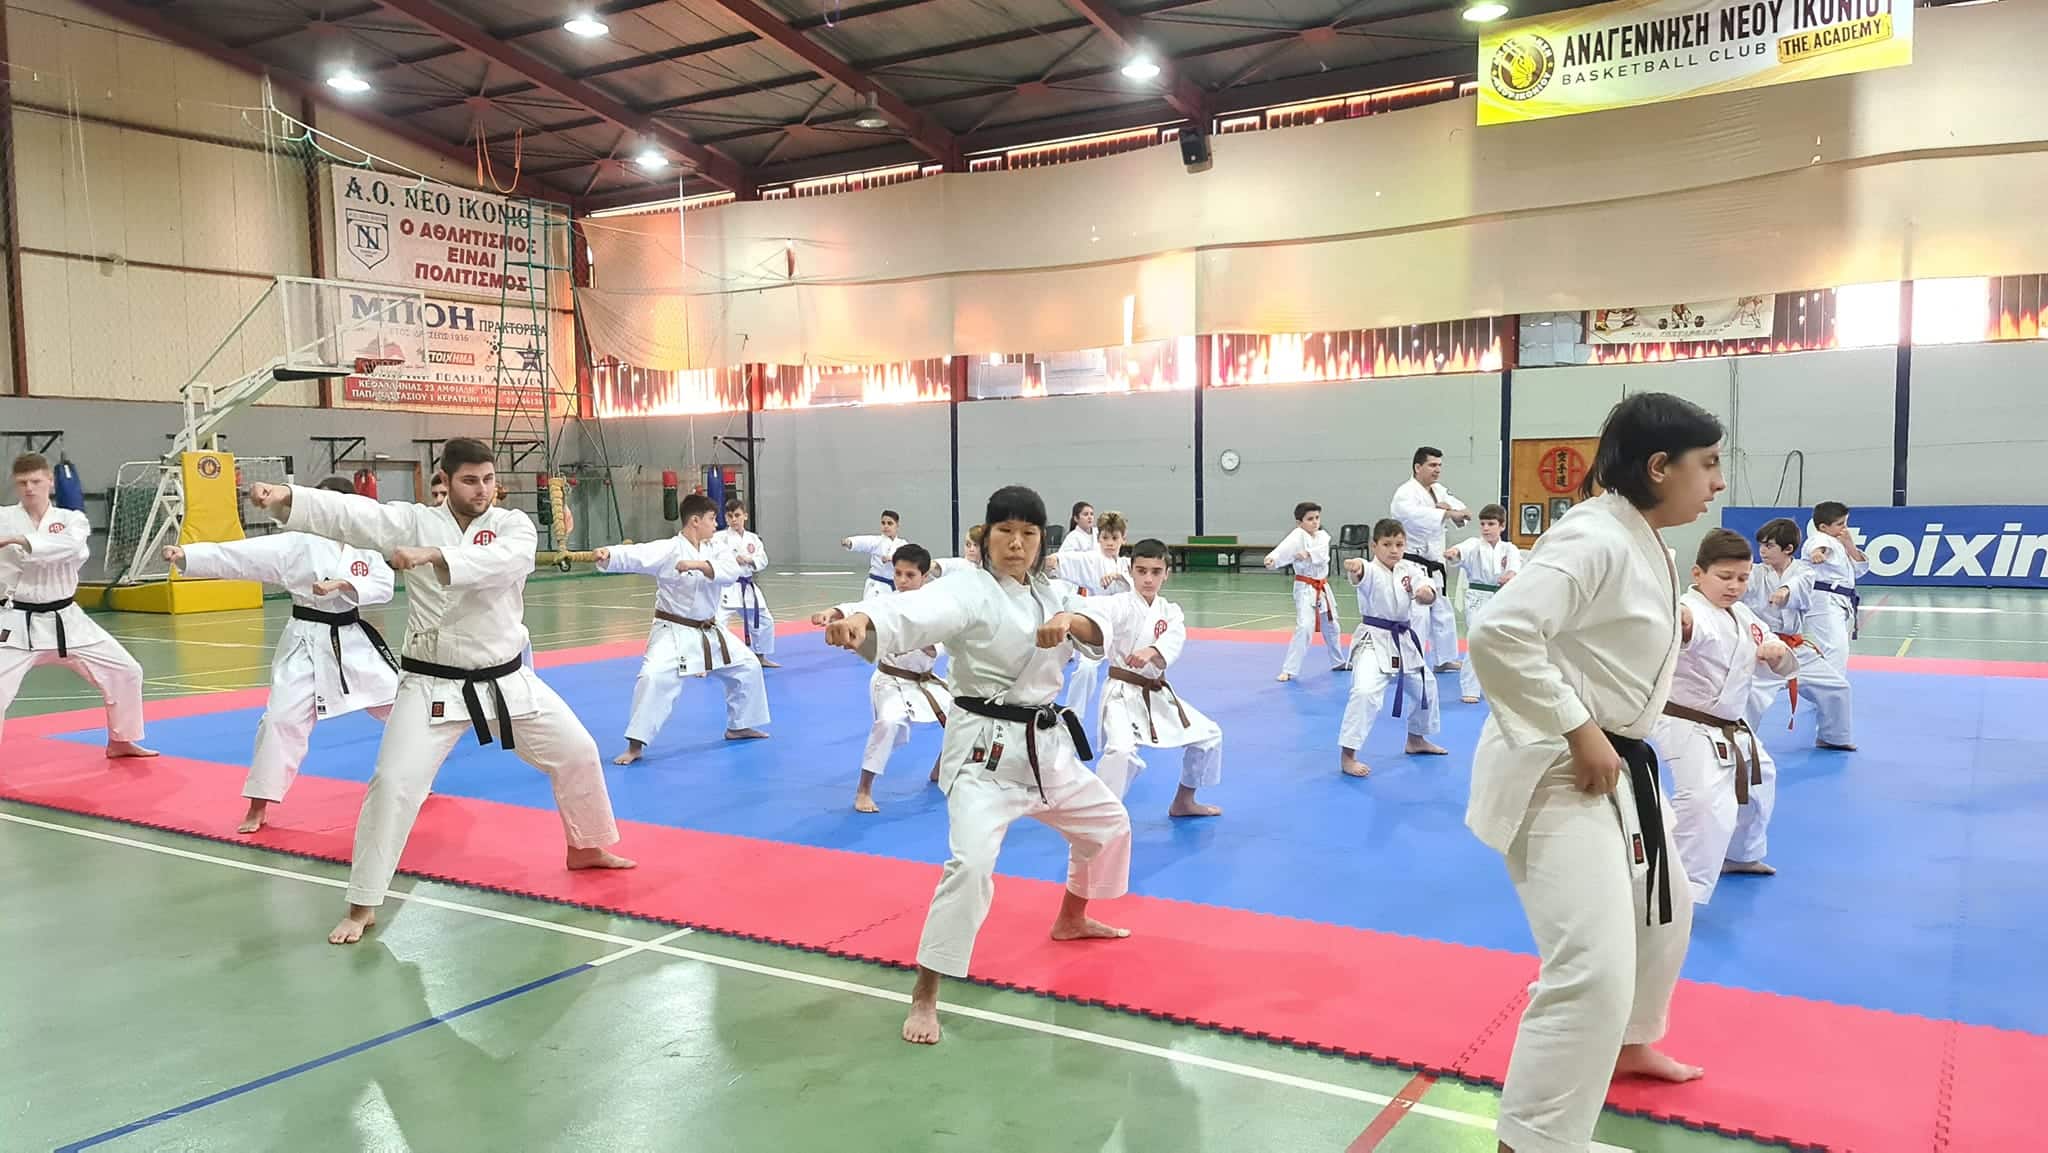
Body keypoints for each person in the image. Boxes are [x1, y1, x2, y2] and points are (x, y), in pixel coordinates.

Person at [246, 438, 633, 945]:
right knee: (392, 784)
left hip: (507, 680)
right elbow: (351, 515)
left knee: (578, 752)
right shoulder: (412, 522)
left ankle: (586, 846)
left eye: (488, 479)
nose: (482, 490)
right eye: (470, 480)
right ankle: (362, 903)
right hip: (431, 684)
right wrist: (288, 497)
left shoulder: (512, 525)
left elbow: (505, 562)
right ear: (445, 481)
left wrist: (434, 555)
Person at [1467, 392, 1724, 1153]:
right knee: (1590, 968)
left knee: (1665, 914)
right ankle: (1531, 1141)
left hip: (1616, 764)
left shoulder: (1644, 539)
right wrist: (1578, 728)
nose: (1716, 482)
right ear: (1659, 466)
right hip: (1559, 765)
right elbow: (1499, 632)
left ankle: (1630, 1043)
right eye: (1708, 464)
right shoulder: (1593, 535)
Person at [820, 485, 1132, 1046]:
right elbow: (915, 609)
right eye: (1005, 532)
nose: (1016, 544)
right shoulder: (967, 588)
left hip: (1046, 750)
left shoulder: (1052, 590)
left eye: (1028, 534)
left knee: (1109, 825)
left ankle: (1070, 918)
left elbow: (1102, 620)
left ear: (1041, 541)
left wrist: (1069, 620)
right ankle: (925, 992)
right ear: (986, 537)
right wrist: (859, 618)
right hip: (985, 756)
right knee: (969, 867)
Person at [163, 477, 400, 833]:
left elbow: (383, 587)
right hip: (305, 642)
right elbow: (240, 557)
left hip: (354, 641)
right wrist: (189, 556)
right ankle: (258, 804)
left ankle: (414, 777)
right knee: (279, 720)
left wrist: (344, 585)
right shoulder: (295, 543)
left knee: (402, 710)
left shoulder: (365, 545)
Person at [1652, 529, 1799, 906]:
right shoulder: (1690, 610)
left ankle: (1740, 855)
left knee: (1759, 782)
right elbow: (1684, 627)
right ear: (1697, 573)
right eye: (1725, 577)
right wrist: (1679, 619)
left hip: (1730, 724)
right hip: (1686, 723)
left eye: (1743, 578)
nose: (1735, 586)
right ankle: (1677, 892)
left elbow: (1771, 648)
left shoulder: (1742, 614)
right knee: (1703, 802)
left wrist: (1775, 653)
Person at [595, 492, 770, 764]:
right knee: (653, 678)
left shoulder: (716, 548)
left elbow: (730, 572)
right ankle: (635, 745)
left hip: (710, 630)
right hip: (673, 630)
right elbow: (638, 554)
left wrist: (696, 565)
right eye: (712, 519)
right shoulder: (669, 549)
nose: (716, 524)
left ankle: (739, 726)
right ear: (695, 521)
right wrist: (610, 554)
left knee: (748, 666)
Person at [0, 452, 154, 758]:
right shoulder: (3, 517)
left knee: (126, 671)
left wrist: (20, 541)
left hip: (67, 619)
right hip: (14, 619)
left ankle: (121, 741)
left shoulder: (72, 519)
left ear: (50, 481)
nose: (29, 488)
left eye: (35, 481)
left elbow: (73, 548)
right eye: (22, 483)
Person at [1092, 538, 1223, 818]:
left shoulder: (1170, 611)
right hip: (1121, 693)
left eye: (1155, 572)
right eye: (1141, 571)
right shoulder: (1118, 604)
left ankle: (1184, 802)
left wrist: (1152, 651)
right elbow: (1094, 615)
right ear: (1130, 570)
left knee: (1209, 736)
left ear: (1167, 573)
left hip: (1154, 691)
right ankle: (1101, 817)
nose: (1148, 579)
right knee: (1120, 751)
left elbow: (1174, 638)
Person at [818, 543, 951, 813]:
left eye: (910, 575)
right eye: (898, 574)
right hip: (890, 680)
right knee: (888, 723)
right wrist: (833, 612)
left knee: (963, 719)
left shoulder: (937, 607)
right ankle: (864, 789)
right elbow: (859, 608)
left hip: (924, 680)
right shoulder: (887, 602)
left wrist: (924, 640)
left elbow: (944, 640)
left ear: (925, 577)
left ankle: (940, 769)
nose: (902, 581)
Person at [1337, 519, 1445, 778]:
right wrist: (1355, 566)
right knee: (1364, 692)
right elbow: (1360, 571)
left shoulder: (1409, 569)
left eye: (1399, 544)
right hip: (1373, 640)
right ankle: (1348, 755)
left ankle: (1416, 739)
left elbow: (1426, 589)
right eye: (1387, 544)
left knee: (1426, 686)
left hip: (1403, 640)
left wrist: (1425, 594)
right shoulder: (1371, 569)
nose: (1394, 550)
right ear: (1374, 545)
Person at [1743, 517, 1854, 749]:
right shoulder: (1754, 572)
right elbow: (1741, 588)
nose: (1762, 551)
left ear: (1788, 549)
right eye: (1761, 545)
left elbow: (1800, 584)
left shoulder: (1805, 571)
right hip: (1760, 650)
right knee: (1747, 695)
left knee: (1836, 687)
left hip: (1795, 648)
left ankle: (1833, 738)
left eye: (1769, 546)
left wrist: (1785, 590)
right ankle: (1738, 744)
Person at [1043, 511, 1130, 728]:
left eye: (1114, 538)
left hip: (1126, 627)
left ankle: (1137, 718)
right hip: (1099, 623)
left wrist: (1119, 576)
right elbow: (1066, 561)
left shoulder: (1127, 564)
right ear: (1098, 538)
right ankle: (1073, 718)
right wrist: (1049, 561)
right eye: (1105, 538)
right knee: (1086, 669)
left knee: (1136, 673)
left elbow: (1141, 582)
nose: (1109, 543)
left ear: (1123, 539)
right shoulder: (1092, 559)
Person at [1390, 446, 1469, 670]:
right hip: (1413, 563)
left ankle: (1445, 659)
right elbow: (1414, 517)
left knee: (1443, 612)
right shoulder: (1405, 493)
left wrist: (1449, 511)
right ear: (1418, 467)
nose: (1437, 470)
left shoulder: (1438, 490)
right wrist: (1443, 512)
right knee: (1418, 614)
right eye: (1432, 465)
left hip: (1435, 563)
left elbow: (1463, 511)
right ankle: (1411, 660)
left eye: (1439, 465)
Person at [1443, 504, 1521, 704]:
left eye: (1491, 524)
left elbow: (1514, 568)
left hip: (1500, 598)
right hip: (1477, 597)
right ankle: (1470, 688)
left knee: (1501, 642)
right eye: (1483, 524)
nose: (1486, 528)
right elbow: (1461, 551)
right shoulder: (1474, 544)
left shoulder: (1509, 549)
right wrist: (1453, 552)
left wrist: (1510, 575)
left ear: (1502, 526)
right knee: (1476, 640)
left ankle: (1501, 686)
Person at [1263, 500, 1347, 682]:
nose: (1315, 522)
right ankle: (1289, 669)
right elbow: (1283, 549)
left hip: (1322, 587)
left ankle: (1338, 661)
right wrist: (1273, 559)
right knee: (1305, 627)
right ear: (1299, 522)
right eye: (1310, 519)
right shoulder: (1296, 536)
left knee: (1332, 625)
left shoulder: (1323, 536)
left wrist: (1308, 554)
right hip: (1305, 587)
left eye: (1317, 518)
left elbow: (1322, 555)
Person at [1802, 501, 1867, 676]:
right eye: (1840, 524)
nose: (1845, 528)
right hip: (1825, 600)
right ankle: (1831, 687)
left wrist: (1850, 545)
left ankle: (1828, 684)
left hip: (1839, 600)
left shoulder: (1839, 543)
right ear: (1823, 527)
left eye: (1846, 523)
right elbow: (1819, 548)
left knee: (1836, 648)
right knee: (1836, 648)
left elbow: (1859, 570)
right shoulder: (1820, 538)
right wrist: (1817, 553)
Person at [714, 498, 778, 669]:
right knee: (715, 624)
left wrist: (750, 560)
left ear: (745, 516)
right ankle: (710, 661)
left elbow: (763, 560)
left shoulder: (753, 539)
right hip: (726, 587)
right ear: (725, 518)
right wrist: (732, 560)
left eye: (737, 515)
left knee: (764, 620)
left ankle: (760, 656)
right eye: (730, 516)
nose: (734, 519)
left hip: (747, 586)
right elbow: (713, 558)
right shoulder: (718, 538)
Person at [843, 510, 906, 600]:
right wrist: (850, 542)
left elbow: (908, 557)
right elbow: (864, 542)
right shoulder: (876, 541)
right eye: (883, 523)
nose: (886, 526)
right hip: (876, 585)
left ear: (897, 525)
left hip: (894, 585)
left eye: (890, 523)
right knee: (871, 607)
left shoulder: (902, 544)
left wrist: (893, 558)